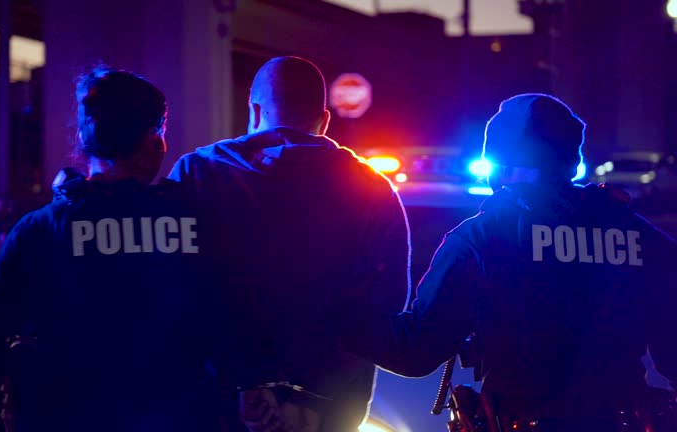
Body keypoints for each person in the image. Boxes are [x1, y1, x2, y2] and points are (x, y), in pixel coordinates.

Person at [344, 93, 677, 431]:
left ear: (499, 162)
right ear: (570, 160)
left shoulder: (481, 238)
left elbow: (415, 350)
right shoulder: (637, 233)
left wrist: (337, 313)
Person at [0, 66, 220, 432]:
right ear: (154, 141)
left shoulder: (40, 230)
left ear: (85, 139)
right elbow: (233, 322)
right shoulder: (197, 222)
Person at [169, 56, 411, 432]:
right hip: (326, 412)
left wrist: (245, 384)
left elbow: (178, 291)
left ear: (253, 110)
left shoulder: (196, 174)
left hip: (219, 404)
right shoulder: (371, 188)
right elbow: (385, 307)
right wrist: (312, 398)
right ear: (325, 120)